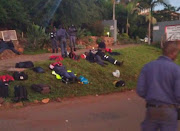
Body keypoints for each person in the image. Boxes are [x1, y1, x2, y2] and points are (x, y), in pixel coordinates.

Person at [137, 41, 180, 131]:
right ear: (173, 53)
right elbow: (178, 94)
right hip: (169, 110)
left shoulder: (147, 67)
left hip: (151, 109)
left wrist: (152, 96)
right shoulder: (176, 70)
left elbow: (140, 90)